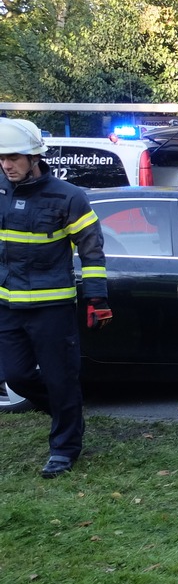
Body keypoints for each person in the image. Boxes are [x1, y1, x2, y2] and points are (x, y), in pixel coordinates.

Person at [0, 117, 111, 478]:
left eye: (13, 158)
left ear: (34, 158)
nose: (6, 165)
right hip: (8, 306)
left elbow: (92, 251)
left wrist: (97, 299)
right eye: (1, 158)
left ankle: (63, 449)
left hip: (52, 308)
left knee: (60, 378)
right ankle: (70, 415)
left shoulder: (68, 196)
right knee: (15, 376)